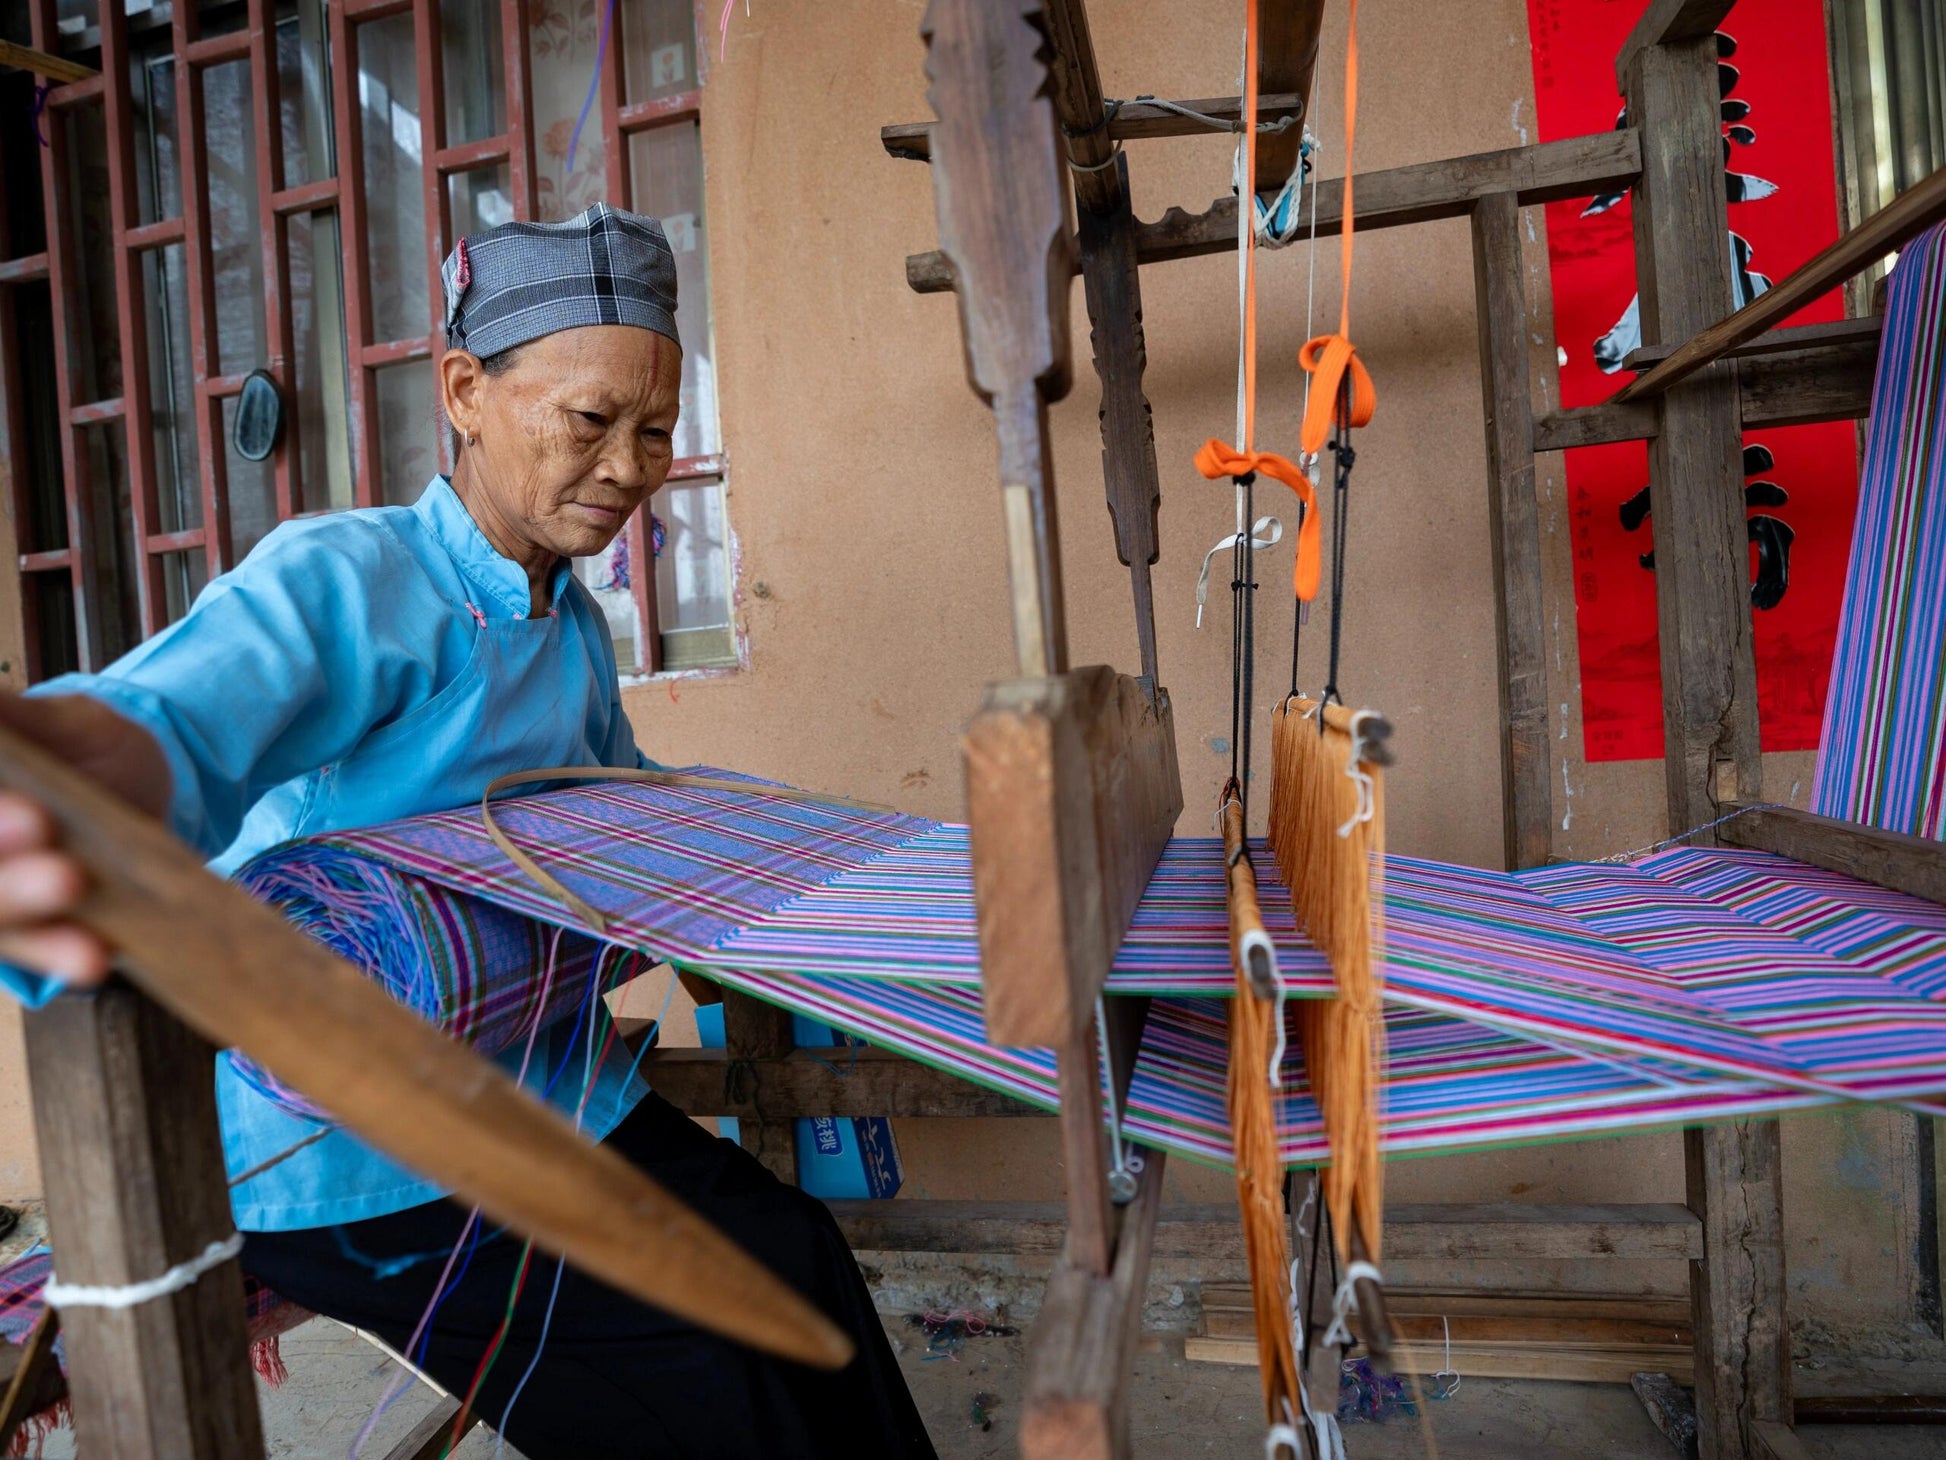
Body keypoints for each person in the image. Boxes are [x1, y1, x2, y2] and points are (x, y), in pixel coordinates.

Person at [0, 204, 936, 1459]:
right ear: (464, 393)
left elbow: (613, 796)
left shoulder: (568, 620)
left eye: (655, 430)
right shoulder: (352, 578)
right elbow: (172, 720)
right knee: (719, 1373)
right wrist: (73, 775)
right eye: (590, 419)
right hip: (354, 1144)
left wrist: (778, 856)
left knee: (795, 1253)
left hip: (545, 1083)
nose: (628, 466)